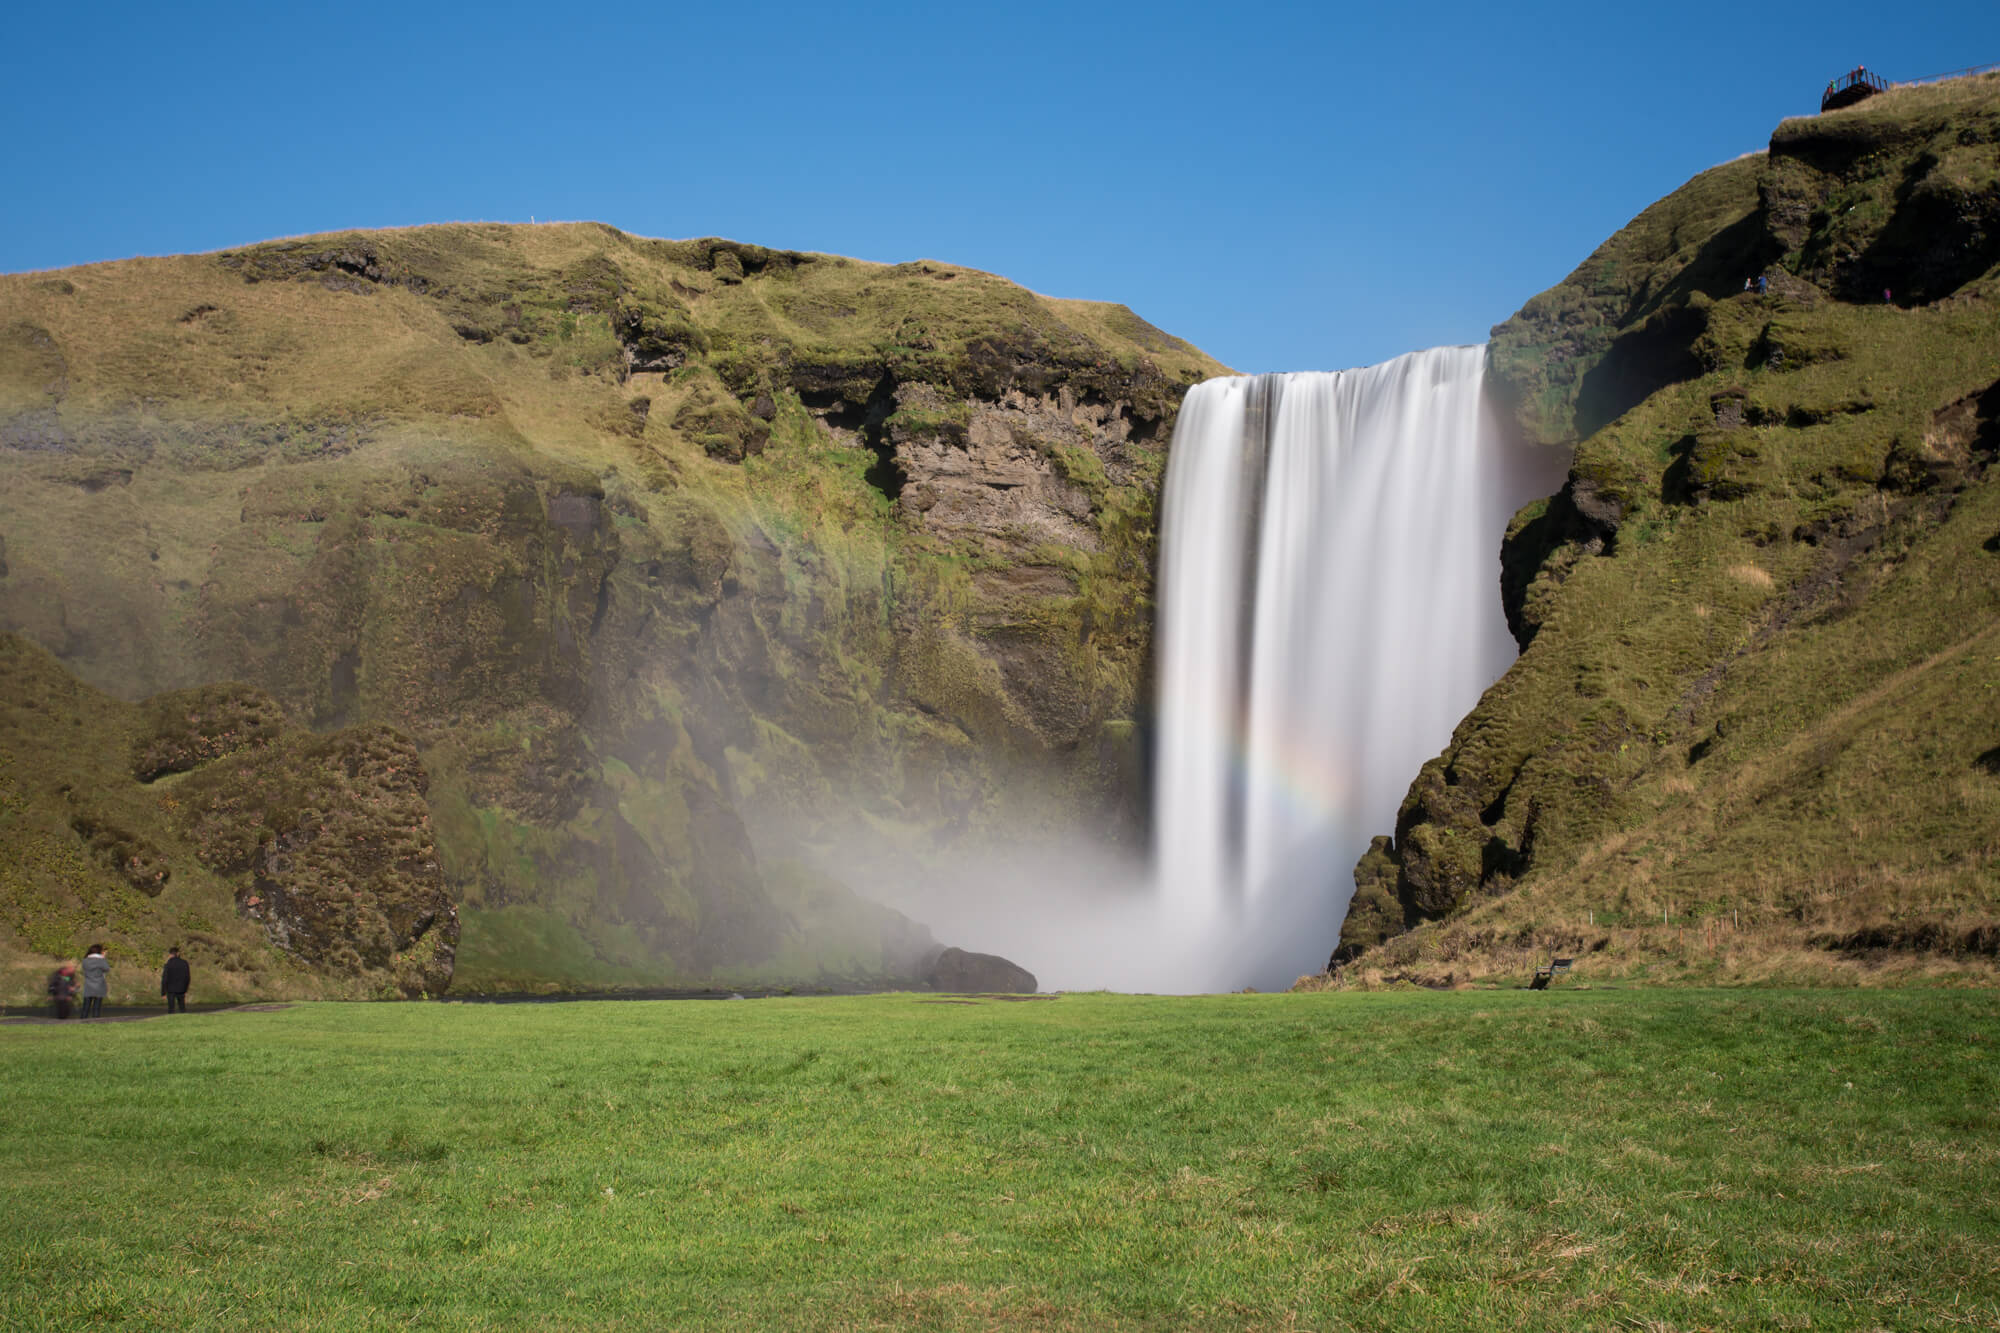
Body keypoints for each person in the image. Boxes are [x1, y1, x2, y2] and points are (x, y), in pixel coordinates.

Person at [79, 944, 110, 1019]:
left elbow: (84, 969)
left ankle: (82, 1021)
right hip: (99, 984)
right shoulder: (101, 960)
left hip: (88, 984)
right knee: (97, 1006)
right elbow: (107, 968)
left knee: (86, 1006)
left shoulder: (85, 960)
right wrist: (103, 958)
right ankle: (96, 1021)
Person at [161, 947, 191, 1014]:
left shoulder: (168, 964)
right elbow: (187, 977)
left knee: (171, 1008)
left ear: (170, 954)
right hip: (181, 988)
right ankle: (184, 1020)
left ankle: (171, 1020)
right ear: (178, 953)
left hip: (170, 989)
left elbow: (164, 979)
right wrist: (186, 989)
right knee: (182, 1008)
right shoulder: (184, 963)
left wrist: (163, 992)